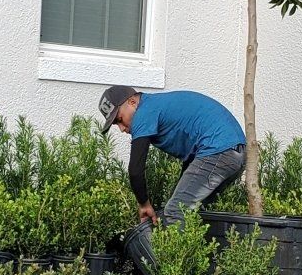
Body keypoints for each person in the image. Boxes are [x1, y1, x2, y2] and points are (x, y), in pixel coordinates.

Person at [98, 85, 246, 226]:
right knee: (189, 212)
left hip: (219, 151)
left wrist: (144, 204)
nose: (122, 128)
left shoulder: (144, 112)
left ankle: (170, 253)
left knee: (176, 211)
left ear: (132, 102)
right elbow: (192, 162)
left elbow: (135, 171)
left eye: (119, 119)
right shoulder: (156, 105)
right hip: (234, 153)